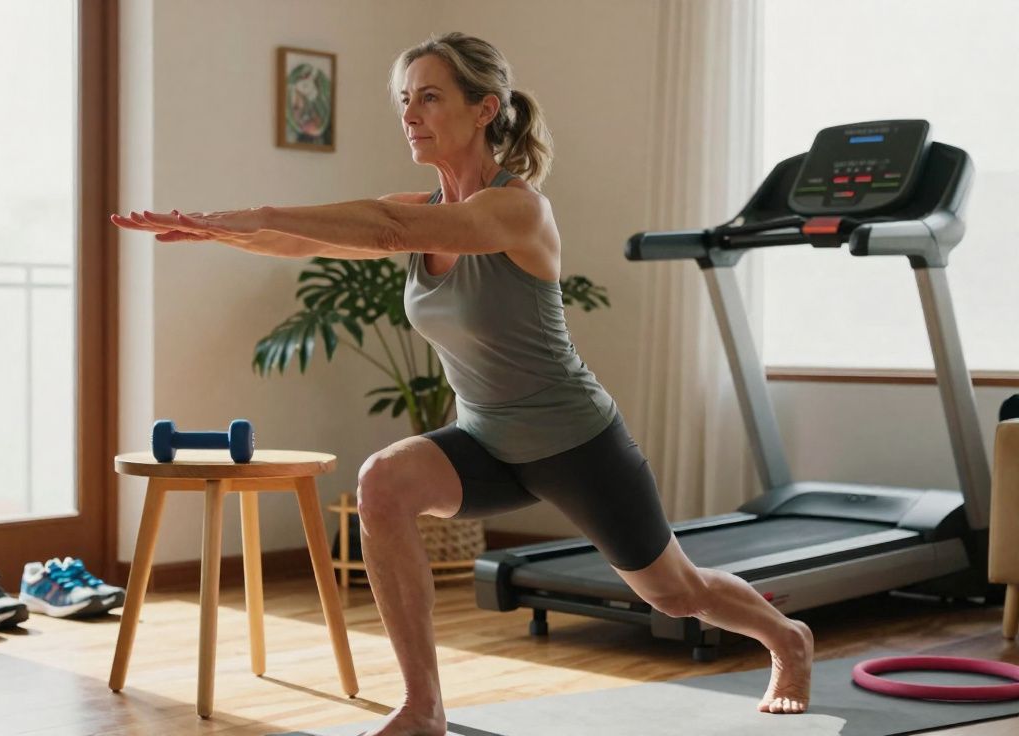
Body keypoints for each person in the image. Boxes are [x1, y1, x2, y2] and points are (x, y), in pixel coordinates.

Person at [113, 31, 814, 736]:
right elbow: (308, 239)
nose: (409, 113)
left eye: (428, 97)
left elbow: (387, 230)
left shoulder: (517, 210)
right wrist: (213, 229)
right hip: (486, 440)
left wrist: (257, 217)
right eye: (404, 99)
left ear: (484, 109)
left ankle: (787, 639)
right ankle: (423, 707)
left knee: (675, 594)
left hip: (576, 442)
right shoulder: (421, 208)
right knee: (383, 483)